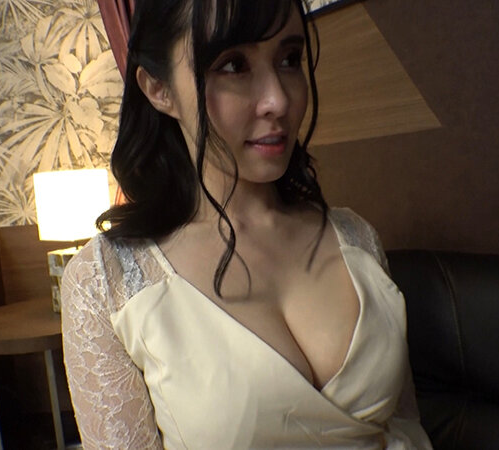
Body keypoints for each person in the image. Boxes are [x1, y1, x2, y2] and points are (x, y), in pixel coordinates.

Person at [61, 0, 433, 448]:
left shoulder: (355, 238)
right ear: (159, 89)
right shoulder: (108, 283)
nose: (279, 100)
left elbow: (405, 425)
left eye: (290, 58)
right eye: (234, 65)